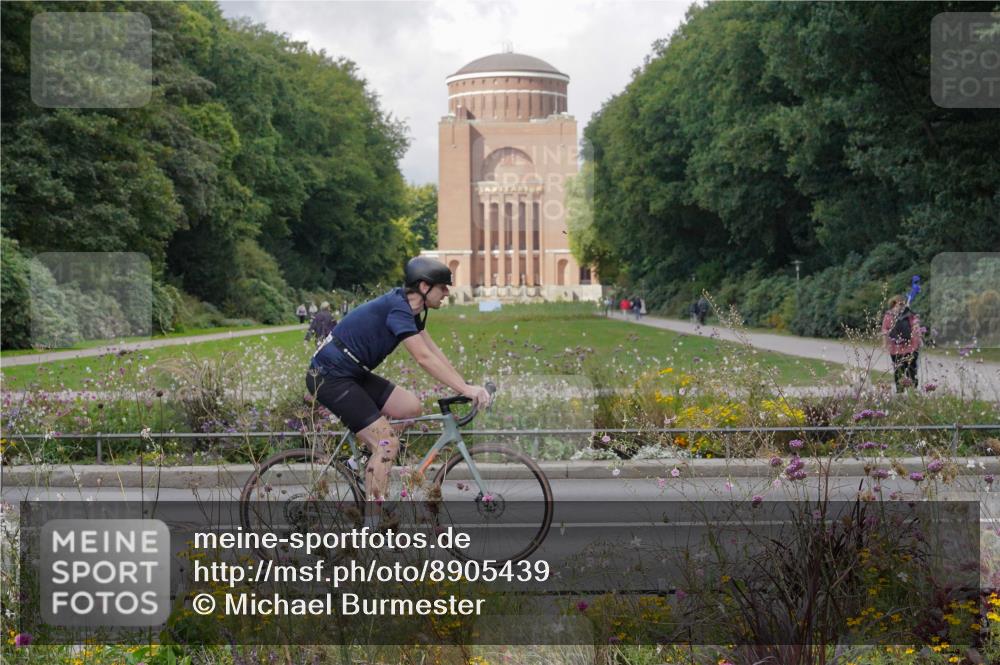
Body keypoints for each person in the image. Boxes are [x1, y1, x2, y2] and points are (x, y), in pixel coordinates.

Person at [306, 257, 492, 502]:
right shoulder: (398, 309)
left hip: (351, 372)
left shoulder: (412, 309)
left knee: (410, 407)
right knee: (387, 444)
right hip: (329, 376)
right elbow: (423, 358)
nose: (447, 292)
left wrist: (464, 385)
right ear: (424, 287)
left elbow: (433, 351)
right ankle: (373, 528)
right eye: (443, 287)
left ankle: (358, 462)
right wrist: (465, 388)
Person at [882, 295, 923, 392]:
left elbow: (916, 326)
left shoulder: (909, 314)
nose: (902, 306)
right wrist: (884, 343)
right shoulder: (888, 316)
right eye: (900, 303)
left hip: (911, 347)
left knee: (912, 370)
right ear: (894, 304)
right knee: (898, 371)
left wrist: (920, 338)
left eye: (904, 303)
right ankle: (900, 392)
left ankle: (913, 392)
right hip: (895, 349)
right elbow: (884, 330)